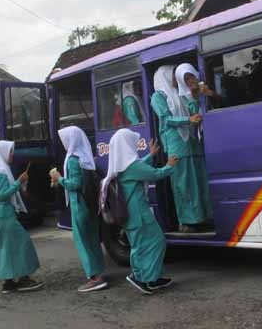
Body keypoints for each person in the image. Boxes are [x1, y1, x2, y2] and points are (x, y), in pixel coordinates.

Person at [101, 129, 178, 294]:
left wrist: (150, 155)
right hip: (138, 215)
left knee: (139, 246)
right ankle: (144, 278)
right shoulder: (132, 167)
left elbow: (138, 167)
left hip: (129, 215)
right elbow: (155, 174)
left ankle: (148, 277)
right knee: (156, 242)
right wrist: (170, 166)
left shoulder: (121, 166)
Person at [151, 65, 211, 233]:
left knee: (199, 180)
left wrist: (193, 96)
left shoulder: (180, 93)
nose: (174, 80)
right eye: (171, 76)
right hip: (176, 144)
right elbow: (165, 119)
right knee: (183, 183)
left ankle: (203, 217)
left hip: (192, 142)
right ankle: (186, 222)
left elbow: (193, 110)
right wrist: (188, 120)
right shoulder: (158, 97)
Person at [0, 140, 43, 294]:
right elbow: (4, 195)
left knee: (4, 249)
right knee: (21, 243)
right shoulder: (0, 173)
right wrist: (18, 182)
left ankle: (7, 282)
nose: (12, 154)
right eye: (10, 151)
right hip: (4, 214)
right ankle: (23, 279)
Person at [51, 126, 107, 292]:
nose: (64, 143)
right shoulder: (86, 158)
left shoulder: (73, 160)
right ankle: (99, 272)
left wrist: (59, 178)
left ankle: (95, 277)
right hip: (89, 205)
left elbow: (75, 184)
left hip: (79, 205)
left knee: (83, 242)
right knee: (92, 240)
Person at [174, 63, 215, 232]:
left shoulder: (204, 87)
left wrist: (208, 94)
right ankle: (196, 220)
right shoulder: (183, 98)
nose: (190, 81)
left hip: (211, 136)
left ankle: (209, 216)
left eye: (191, 76)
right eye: (186, 79)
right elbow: (189, 117)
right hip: (198, 140)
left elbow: (220, 100)